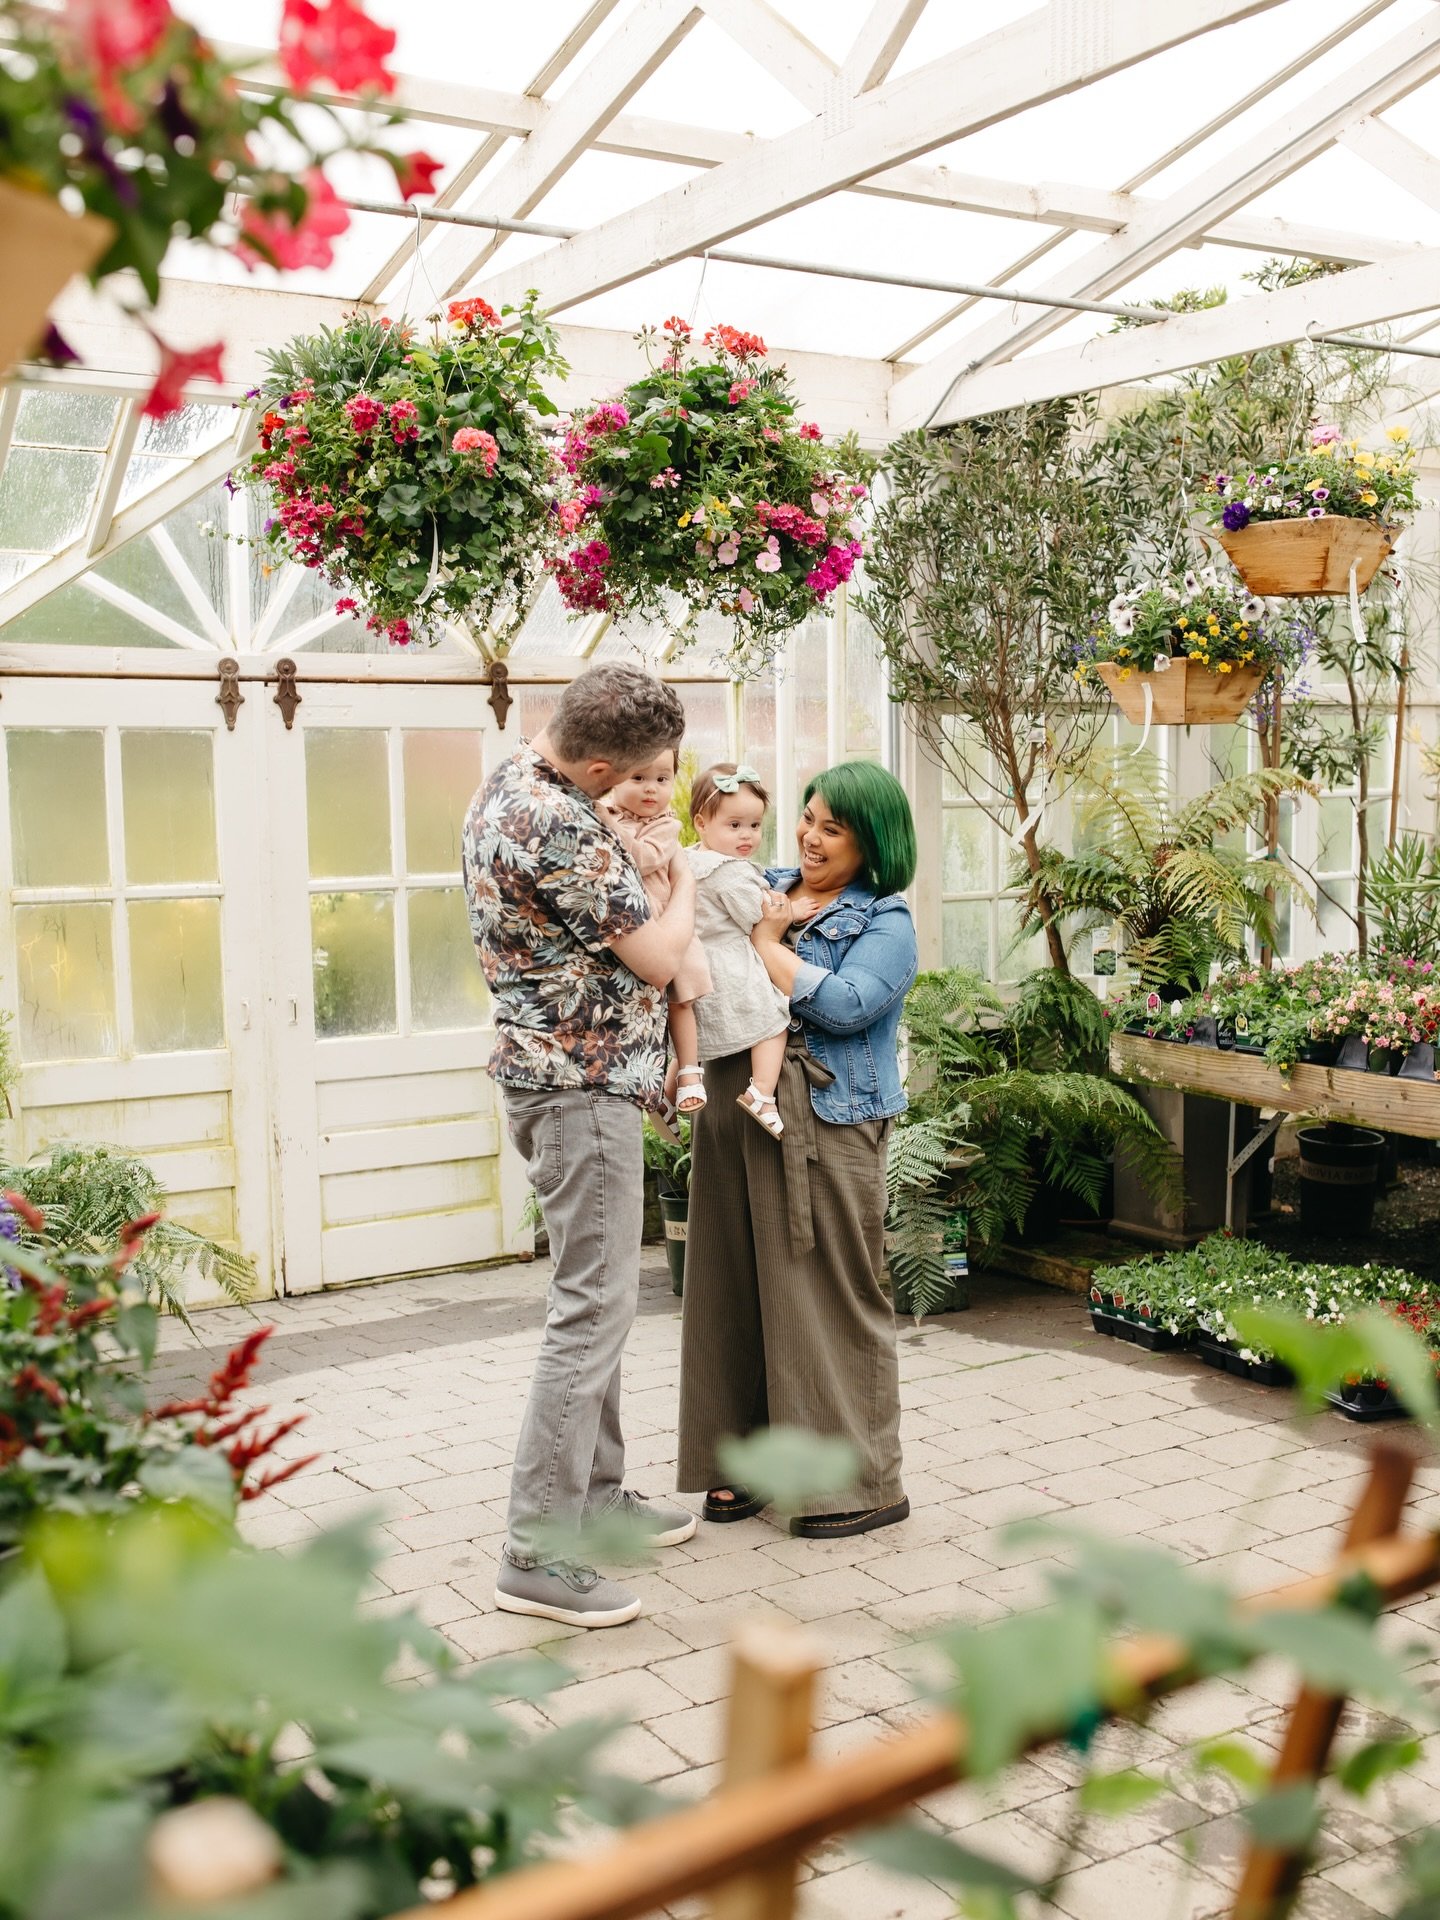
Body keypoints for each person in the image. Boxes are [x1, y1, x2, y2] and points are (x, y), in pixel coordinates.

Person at [463, 663, 700, 1629]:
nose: (642, 786)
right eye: (634, 772)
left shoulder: (515, 775)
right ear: (597, 757)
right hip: (578, 1087)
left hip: (563, 1078)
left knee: (595, 1303)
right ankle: (537, 1550)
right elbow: (658, 954)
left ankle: (598, 1498)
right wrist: (683, 878)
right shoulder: (557, 818)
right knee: (592, 1308)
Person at [676, 761, 918, 1539]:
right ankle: (742, 1466)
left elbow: (847, 1007)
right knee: (731, 1285)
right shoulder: (758, 875)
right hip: (732, 1098)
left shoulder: (886, 920)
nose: (809, 837)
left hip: (829, 1116)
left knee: (831, 1294)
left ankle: (858, 1483)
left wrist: (764, 943)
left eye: (833, 828)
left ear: (872, 842)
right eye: (809, 818)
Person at [599, 747, 712, 1130]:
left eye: (662, 780)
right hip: (629, 932)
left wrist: (608, 826)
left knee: (680, 1002)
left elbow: (643, 859)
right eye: (639, 778)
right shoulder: (604, 810)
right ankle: (657, 1093)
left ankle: (690, 1073)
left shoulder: (665, 825)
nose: (652, 790)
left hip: (665, 925)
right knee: (646, 1014)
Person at [682, 763, 791, 1138]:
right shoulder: (729, 870)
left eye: (755, 826)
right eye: (735, 825)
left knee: (687, 1041)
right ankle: (762, 1092)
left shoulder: (688, 858)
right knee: (774, 1020)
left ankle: (666, 1094)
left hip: (694, 962)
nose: (747, 836)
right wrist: (787, 909)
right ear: (701, 822)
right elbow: (755, 916)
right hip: (728, 967)